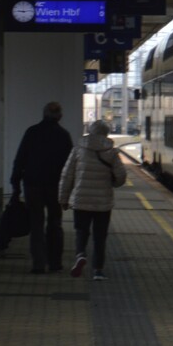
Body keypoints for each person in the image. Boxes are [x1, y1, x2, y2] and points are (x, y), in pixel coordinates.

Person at [9, 101, 73, 274]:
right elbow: (70, 166)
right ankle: (55, 263)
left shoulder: (32, 132)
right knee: (55, 223)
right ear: (59, 116)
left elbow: (20, 159)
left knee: (36, 224)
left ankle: (38, 264)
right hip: (55, 186)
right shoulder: (64, 135)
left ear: (43, 114)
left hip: (33, 185)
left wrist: (15, 185)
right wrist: (69, 190)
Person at [59, 119, 126, 281]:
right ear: (106, 133)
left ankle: (81, 254)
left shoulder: (78, 150)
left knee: (81, 231)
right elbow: (121, 176)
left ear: (90, 131)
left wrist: (63, 198)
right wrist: (114, 183)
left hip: (81, 199)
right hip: (103, 203)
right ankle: (98, 270)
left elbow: (67, 175)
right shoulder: (112, 152)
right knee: (100, 236)